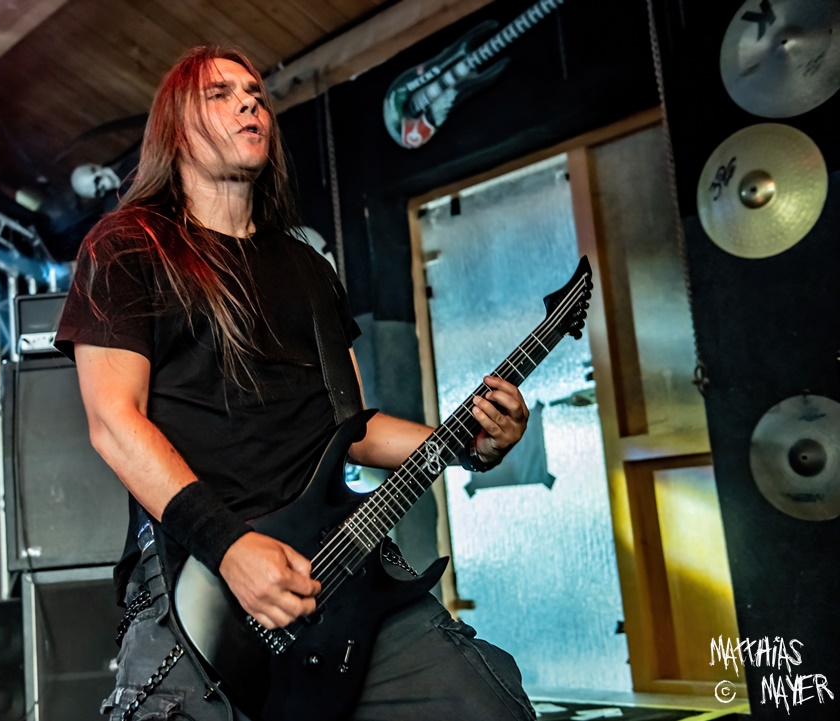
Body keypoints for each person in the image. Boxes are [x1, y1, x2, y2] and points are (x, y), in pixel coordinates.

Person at [55, 45, 536, 721]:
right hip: (198, 576)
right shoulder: (126, 247)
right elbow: (114, 420)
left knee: (488, 705)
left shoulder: (308, 268)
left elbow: (351, 426)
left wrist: (470, 443)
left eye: (255, 93)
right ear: (177, 130)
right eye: (221, 94)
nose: (249, 103)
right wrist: (229, 546)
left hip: (336, 563)